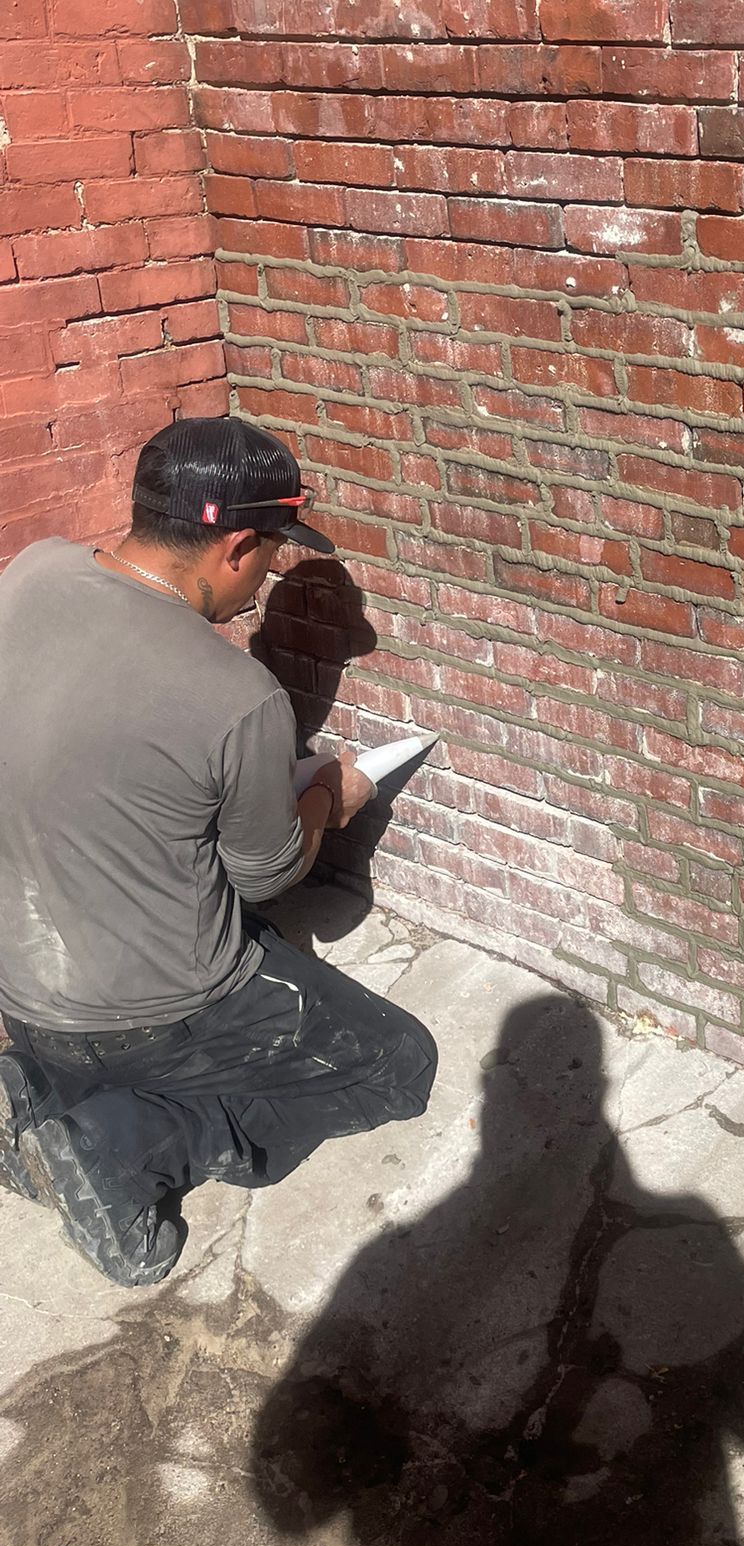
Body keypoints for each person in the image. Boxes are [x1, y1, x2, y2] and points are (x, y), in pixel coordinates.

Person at [0, 415, 437, 1289]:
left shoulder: (33, 570)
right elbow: (267, 874)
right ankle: (122, 1145)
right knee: (397, 1064)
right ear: (237, 543)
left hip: (22, 990)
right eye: (273, 551)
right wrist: (327, 795)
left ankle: (34, 1087)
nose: (268, 572)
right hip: (156, 1012)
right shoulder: (236, 694)